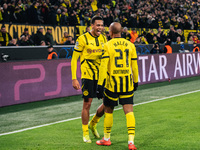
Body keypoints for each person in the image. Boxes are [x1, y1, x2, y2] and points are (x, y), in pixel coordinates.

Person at [96, 22, 138, 150]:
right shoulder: (131, 45)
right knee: (129, 111)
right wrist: (135, 81)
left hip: (111, 84)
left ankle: (107, 139)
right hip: (127, 83)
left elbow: (103, 66)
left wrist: (100, 85)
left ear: (110, 32)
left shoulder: (107, 45)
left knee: (109, 111)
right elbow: (134, 66)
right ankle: (131, 142)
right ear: (121, 32)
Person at [71, 15, 107, 143]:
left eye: (102, 25)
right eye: (98, 25)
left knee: (108, 103)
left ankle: (94, 123)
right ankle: (85, 133)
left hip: (102, 76)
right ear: (92, 25)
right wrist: (74, 78)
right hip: (88, 76)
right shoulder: (82, 39)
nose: (100, 28)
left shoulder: (104, 38)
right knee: (87, 104)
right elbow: (74, 59)